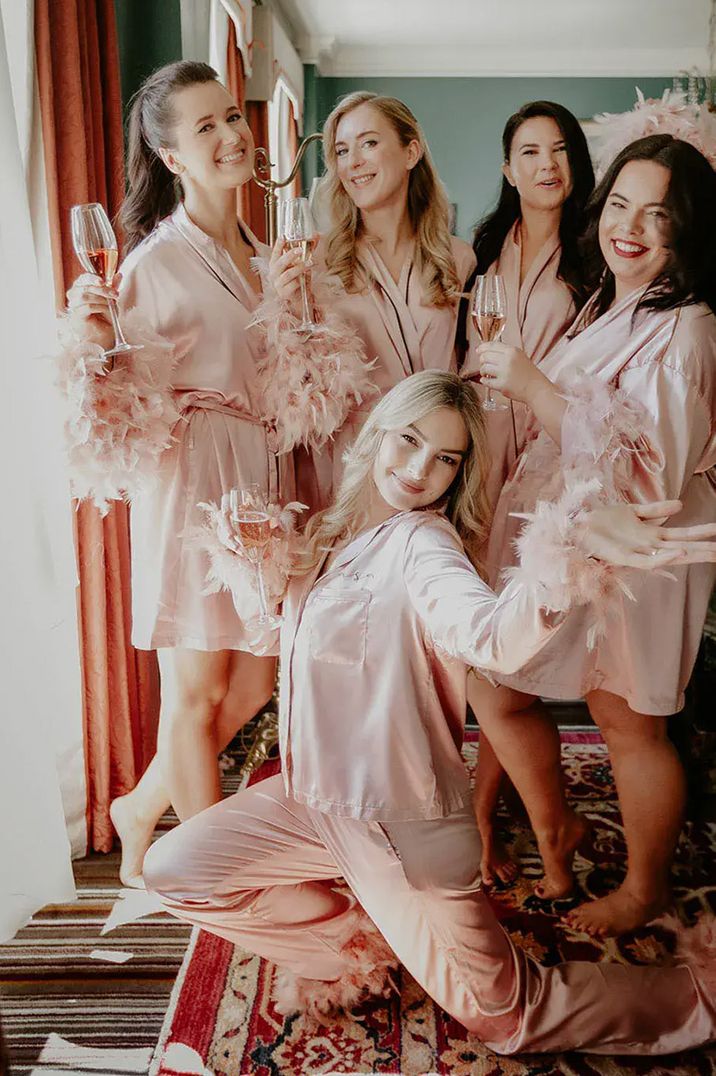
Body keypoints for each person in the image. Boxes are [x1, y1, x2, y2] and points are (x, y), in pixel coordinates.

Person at [142, 370, 716, 1057]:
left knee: (510, 1020)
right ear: (379, 432)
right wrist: (262, 565)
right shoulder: (331, 532)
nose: (419, 470)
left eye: (445, 458)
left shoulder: (425, 546)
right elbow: (295, 646)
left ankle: (700, 998)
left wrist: (574, 548)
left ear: (459, 473)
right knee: (174, 870)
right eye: (410, 441)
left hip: (399, 830)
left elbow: (490, 635)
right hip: (312, 802)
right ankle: (353, 944)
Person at [472, 134, 716, 935]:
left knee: (629, 722)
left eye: (658, 214)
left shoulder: (684, 328)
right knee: (496, 686)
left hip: (643, 552)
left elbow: (649, 479)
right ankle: (559, 827)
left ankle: (643, 889)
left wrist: (537, 386)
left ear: (689, 230)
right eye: (619, 203)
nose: (631, 226)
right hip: (570, 544)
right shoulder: (612, 301)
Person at [64, 61, 293, 887]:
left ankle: (140, 807)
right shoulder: (151, 263)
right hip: (191, 480)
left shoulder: (267, 255)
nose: (233, 135)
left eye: (232, 117)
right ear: (171, 157)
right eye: (207, 128)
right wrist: (93, 341)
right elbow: (109, 404)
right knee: (194, 694)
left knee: (256, 680)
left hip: (259, 481)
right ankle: (213, 880)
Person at [460, 101, 595, 887]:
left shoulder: (596, 256)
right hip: (485, 457)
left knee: (503, 666)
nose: (547, 164)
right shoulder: (482, 249)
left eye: (561, 151)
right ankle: (492, 819)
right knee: (487, 659)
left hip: (548, 466)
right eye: (530, 151)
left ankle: (540, 824)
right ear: (508, 168)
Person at [268, 91, 476, 508]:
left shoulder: (456, 257)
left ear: (411, 151)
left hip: (429, 466)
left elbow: (464, 368)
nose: (353, 162)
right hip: (351, 460)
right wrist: (284, 305)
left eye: (369, 143)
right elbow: (297, 377)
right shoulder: (318, 256)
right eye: (342, 151)